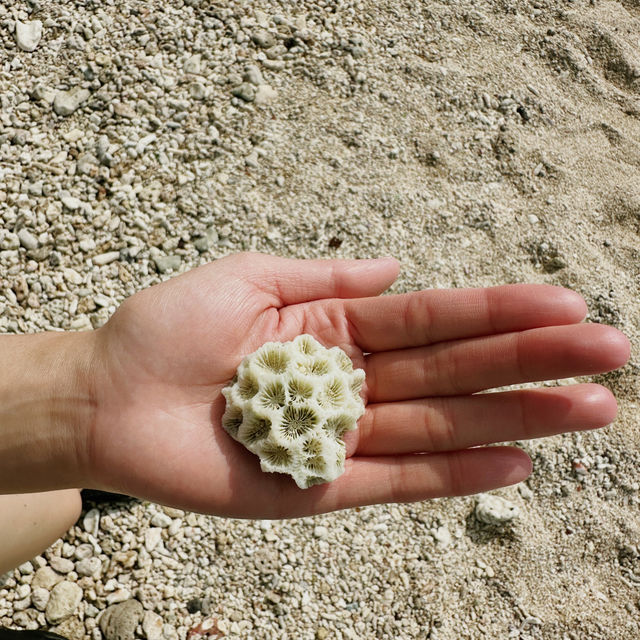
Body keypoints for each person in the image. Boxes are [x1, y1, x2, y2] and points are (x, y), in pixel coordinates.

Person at [0, 252, 630, 574]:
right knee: (57, 506)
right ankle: (88, 463)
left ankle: (84, 460)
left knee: (56, 507)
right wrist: (97, 397)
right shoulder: (276, 395)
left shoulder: (310, 394)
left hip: (286, 417)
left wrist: (94, 397)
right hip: (278, 417)